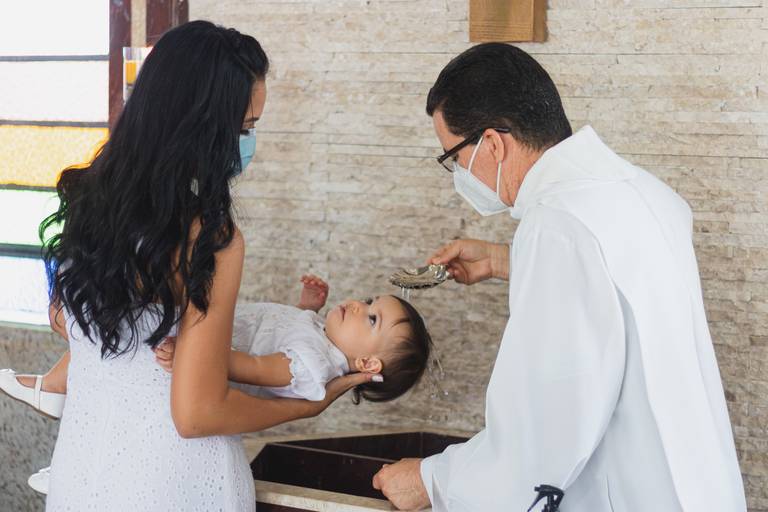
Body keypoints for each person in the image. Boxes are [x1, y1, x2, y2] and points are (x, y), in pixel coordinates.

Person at [372, 43, 747, 511]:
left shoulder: (556, 225)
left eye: (453, 156)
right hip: (698, 486)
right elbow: (622, 291)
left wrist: (432, 480)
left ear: (492, 144)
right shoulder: (647, 193)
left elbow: (548, 418)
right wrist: (507, 261)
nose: (458, 173)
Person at [27, 21, 376, 511]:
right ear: (200, 126)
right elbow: (198, 414)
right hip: (175, 483)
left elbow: (64, 321)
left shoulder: (87, 204)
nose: (248, 143)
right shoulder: (209, 238)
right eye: (244, 128)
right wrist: (307, 405)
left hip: (80, 475)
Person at [2, 274, 431, 494]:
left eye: (371, 318)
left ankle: (74, 469)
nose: (357, 305)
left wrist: (193, 354)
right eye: (370, 300)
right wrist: (306, 307)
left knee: (125, 347)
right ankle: (55, 392)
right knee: (122, 343)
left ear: (367, 362)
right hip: (194, 343)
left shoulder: (316, 366)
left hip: (192, 361)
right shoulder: (320, 340)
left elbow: (258, 369)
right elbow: (277, 337)